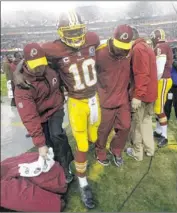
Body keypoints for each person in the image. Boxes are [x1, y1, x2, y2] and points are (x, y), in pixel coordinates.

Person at [13, 10, 101, 209]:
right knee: (66, 140)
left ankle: (70, 162)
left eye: (77, 31)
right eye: (70, 32)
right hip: (76, 101)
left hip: (90, 98)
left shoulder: (93, 39)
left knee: (92, 137)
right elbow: (31, 56)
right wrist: (18, 71)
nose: (75, 36)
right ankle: (80, 179)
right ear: (61, 32)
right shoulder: (51, 50)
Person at [14, 43, 74, 184]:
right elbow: (29, 116)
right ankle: (56, 165)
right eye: (35, 65)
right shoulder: (22, 86)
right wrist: (40, 144)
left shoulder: (50, 66)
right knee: (47, 144)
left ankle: (66, 167)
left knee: (56, 135)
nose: (40, 68)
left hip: (55, 108)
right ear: (27, 63)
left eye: (41, 63)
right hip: (39, 116)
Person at [95, 24, 133, 167]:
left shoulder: (129, 51)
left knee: (125, 126)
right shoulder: (99, 53)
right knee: (103, 131)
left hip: (122, 99)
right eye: (119, 46)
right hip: (105, 100)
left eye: (125, 46)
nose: (122, 50)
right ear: (112, 39)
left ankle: (116, 149)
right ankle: (100, 151)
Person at [126, 28, 158, 161]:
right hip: (150, 93)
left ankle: (137, 152)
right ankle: (150, 149)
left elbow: (141, 74)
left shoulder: (137, 49)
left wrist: (137, 95)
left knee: (137, 124)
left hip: (142, 94)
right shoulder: (146, 46)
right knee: (146, 122)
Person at [150, 29, 173, 147]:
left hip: (162, 80)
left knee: (159, 109)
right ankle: (159, 131)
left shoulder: (161, 47)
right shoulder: (164, 45)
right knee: (157, 108)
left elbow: (159, 67)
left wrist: (154, 80)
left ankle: (165, 136)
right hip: (162, 79)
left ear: (155, 37)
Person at [164, 45, 177, 123]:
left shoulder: (174, 61)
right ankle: (163, 128)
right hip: (169, 87)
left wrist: (173, 61)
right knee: (167, 106)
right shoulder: (167, 61)